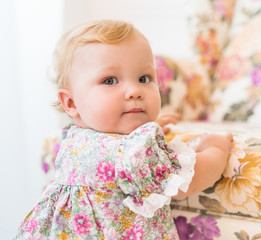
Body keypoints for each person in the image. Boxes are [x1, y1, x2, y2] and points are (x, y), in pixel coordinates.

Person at [15, 19, 233, 239]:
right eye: (110, 81)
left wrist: (148, 132)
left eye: (144, 78)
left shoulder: (73, 140)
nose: (134, 91)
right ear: (71, 103)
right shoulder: (133, 155)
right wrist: (217, 149)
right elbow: (191, 181)